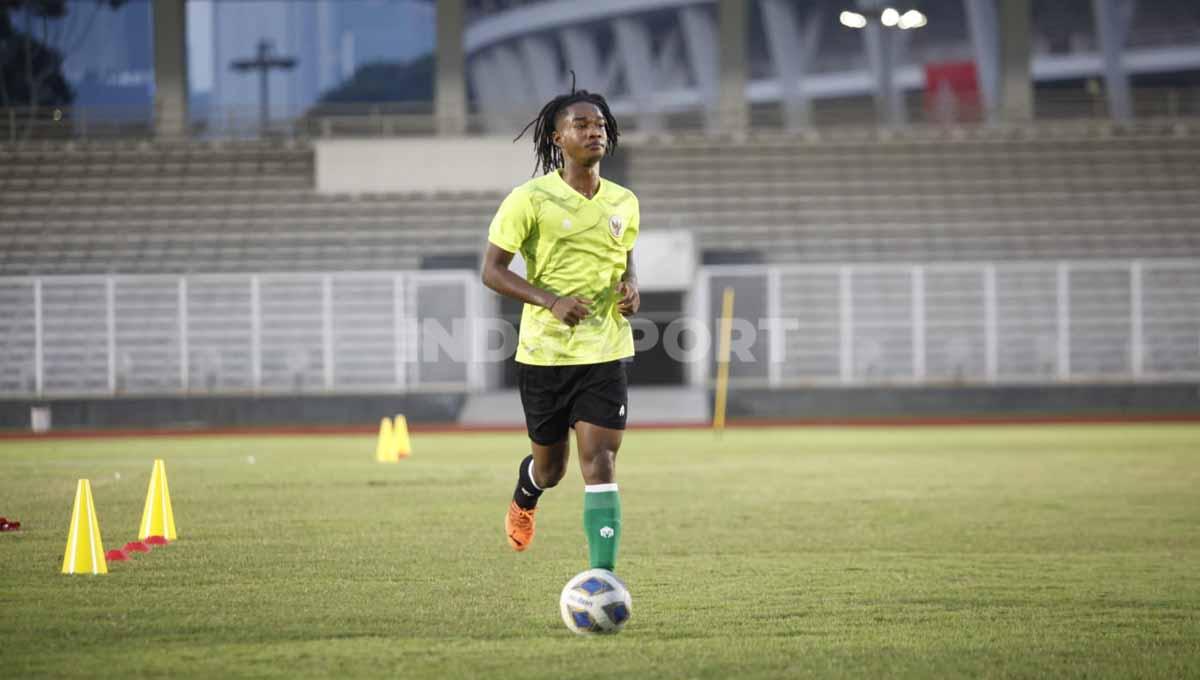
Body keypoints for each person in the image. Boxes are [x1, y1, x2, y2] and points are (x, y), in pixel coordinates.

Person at [480, 83, 640, 575]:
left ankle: (603, 578)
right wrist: (548, 300)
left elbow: (624, 262)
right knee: (552, 470)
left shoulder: (624, 201)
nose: (594, 131)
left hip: (604, 349)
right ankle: (527, 492)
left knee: (601, 463)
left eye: (601, 125)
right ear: (556, 137)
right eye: (581, 124)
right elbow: (492, 271)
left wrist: (631, 288)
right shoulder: (528, 200)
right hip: (544, 356)